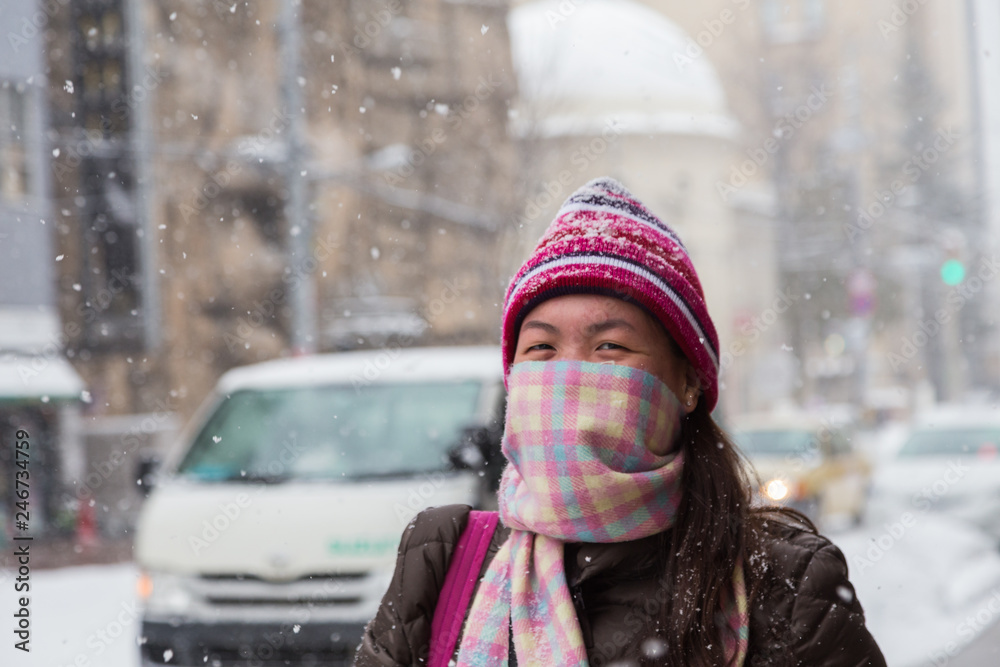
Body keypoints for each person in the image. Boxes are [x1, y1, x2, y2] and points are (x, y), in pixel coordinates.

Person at [354, 178, 886, 666]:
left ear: (688, 382)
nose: (568, 375)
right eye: (540, 347)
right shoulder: (444, 559)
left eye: (609, 346)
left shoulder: (785, 583)